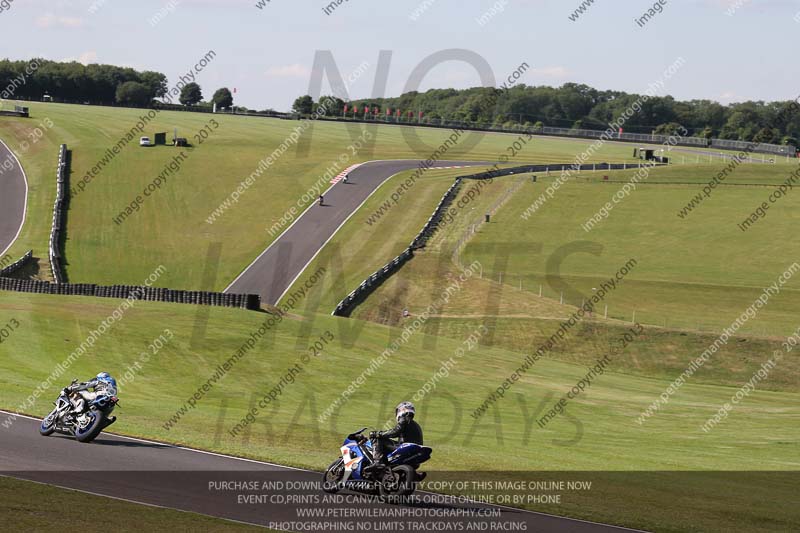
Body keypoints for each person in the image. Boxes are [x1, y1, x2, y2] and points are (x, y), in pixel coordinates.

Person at [367, 402, 423, 473]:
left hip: (404, 447)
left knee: (377, 438)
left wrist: (378, 434)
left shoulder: (404, 419)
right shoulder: (417, 425)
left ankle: (377, 462)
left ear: (401, 410)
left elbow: (395, 432)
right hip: (414, 454)